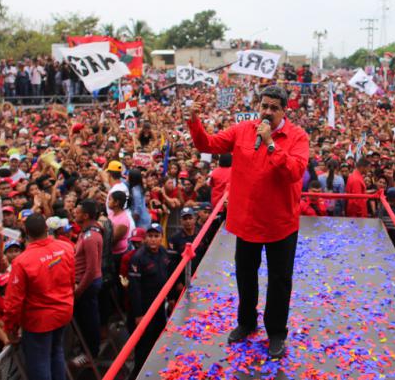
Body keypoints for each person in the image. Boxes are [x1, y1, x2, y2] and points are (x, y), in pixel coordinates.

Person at [187, 85, 309, 358]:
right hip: (248, 221)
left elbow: (294, 172)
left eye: (274, 108)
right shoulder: (243, 129)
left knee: (279, 280)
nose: (267, 112)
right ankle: (246, 322)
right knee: (245, 275)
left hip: (281, 224)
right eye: (264, 106)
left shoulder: (298, 137)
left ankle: (276, 332)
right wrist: (195, 121)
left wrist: (270, 145)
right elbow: (207, 144)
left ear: (284, 111)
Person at [3, 214, 75, 380]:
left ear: (26, 233)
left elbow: (13, 301)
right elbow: (72, 280)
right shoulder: (66, 248)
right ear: (46, 228)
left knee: (40, 362)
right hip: (63, 311)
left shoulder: (22, 262)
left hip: (39, 321)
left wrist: (10, 327)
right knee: (56, 351)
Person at [126, 222, 170, 375]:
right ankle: (139, 374)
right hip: (143, 309)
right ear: (145, 239)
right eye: (150, 236)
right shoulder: (138, 258)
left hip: (159, 307)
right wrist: (138, 314)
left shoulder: (164, 252)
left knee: (159, 338)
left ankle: (158, 371)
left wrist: (170, 299)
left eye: (156, 236)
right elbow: (134, 289)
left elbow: (169, 276)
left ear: (161, 238)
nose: (153, 239)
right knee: (143, 346)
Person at [71, 199, 103, 365]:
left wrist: (78, 291)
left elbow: (91, 269)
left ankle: (90, 353)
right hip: (85, 284)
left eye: (77, 211)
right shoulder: (86, 233)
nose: (74, 213)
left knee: (88, 320)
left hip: (88, 285)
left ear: (86, 215)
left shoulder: (91, 237)